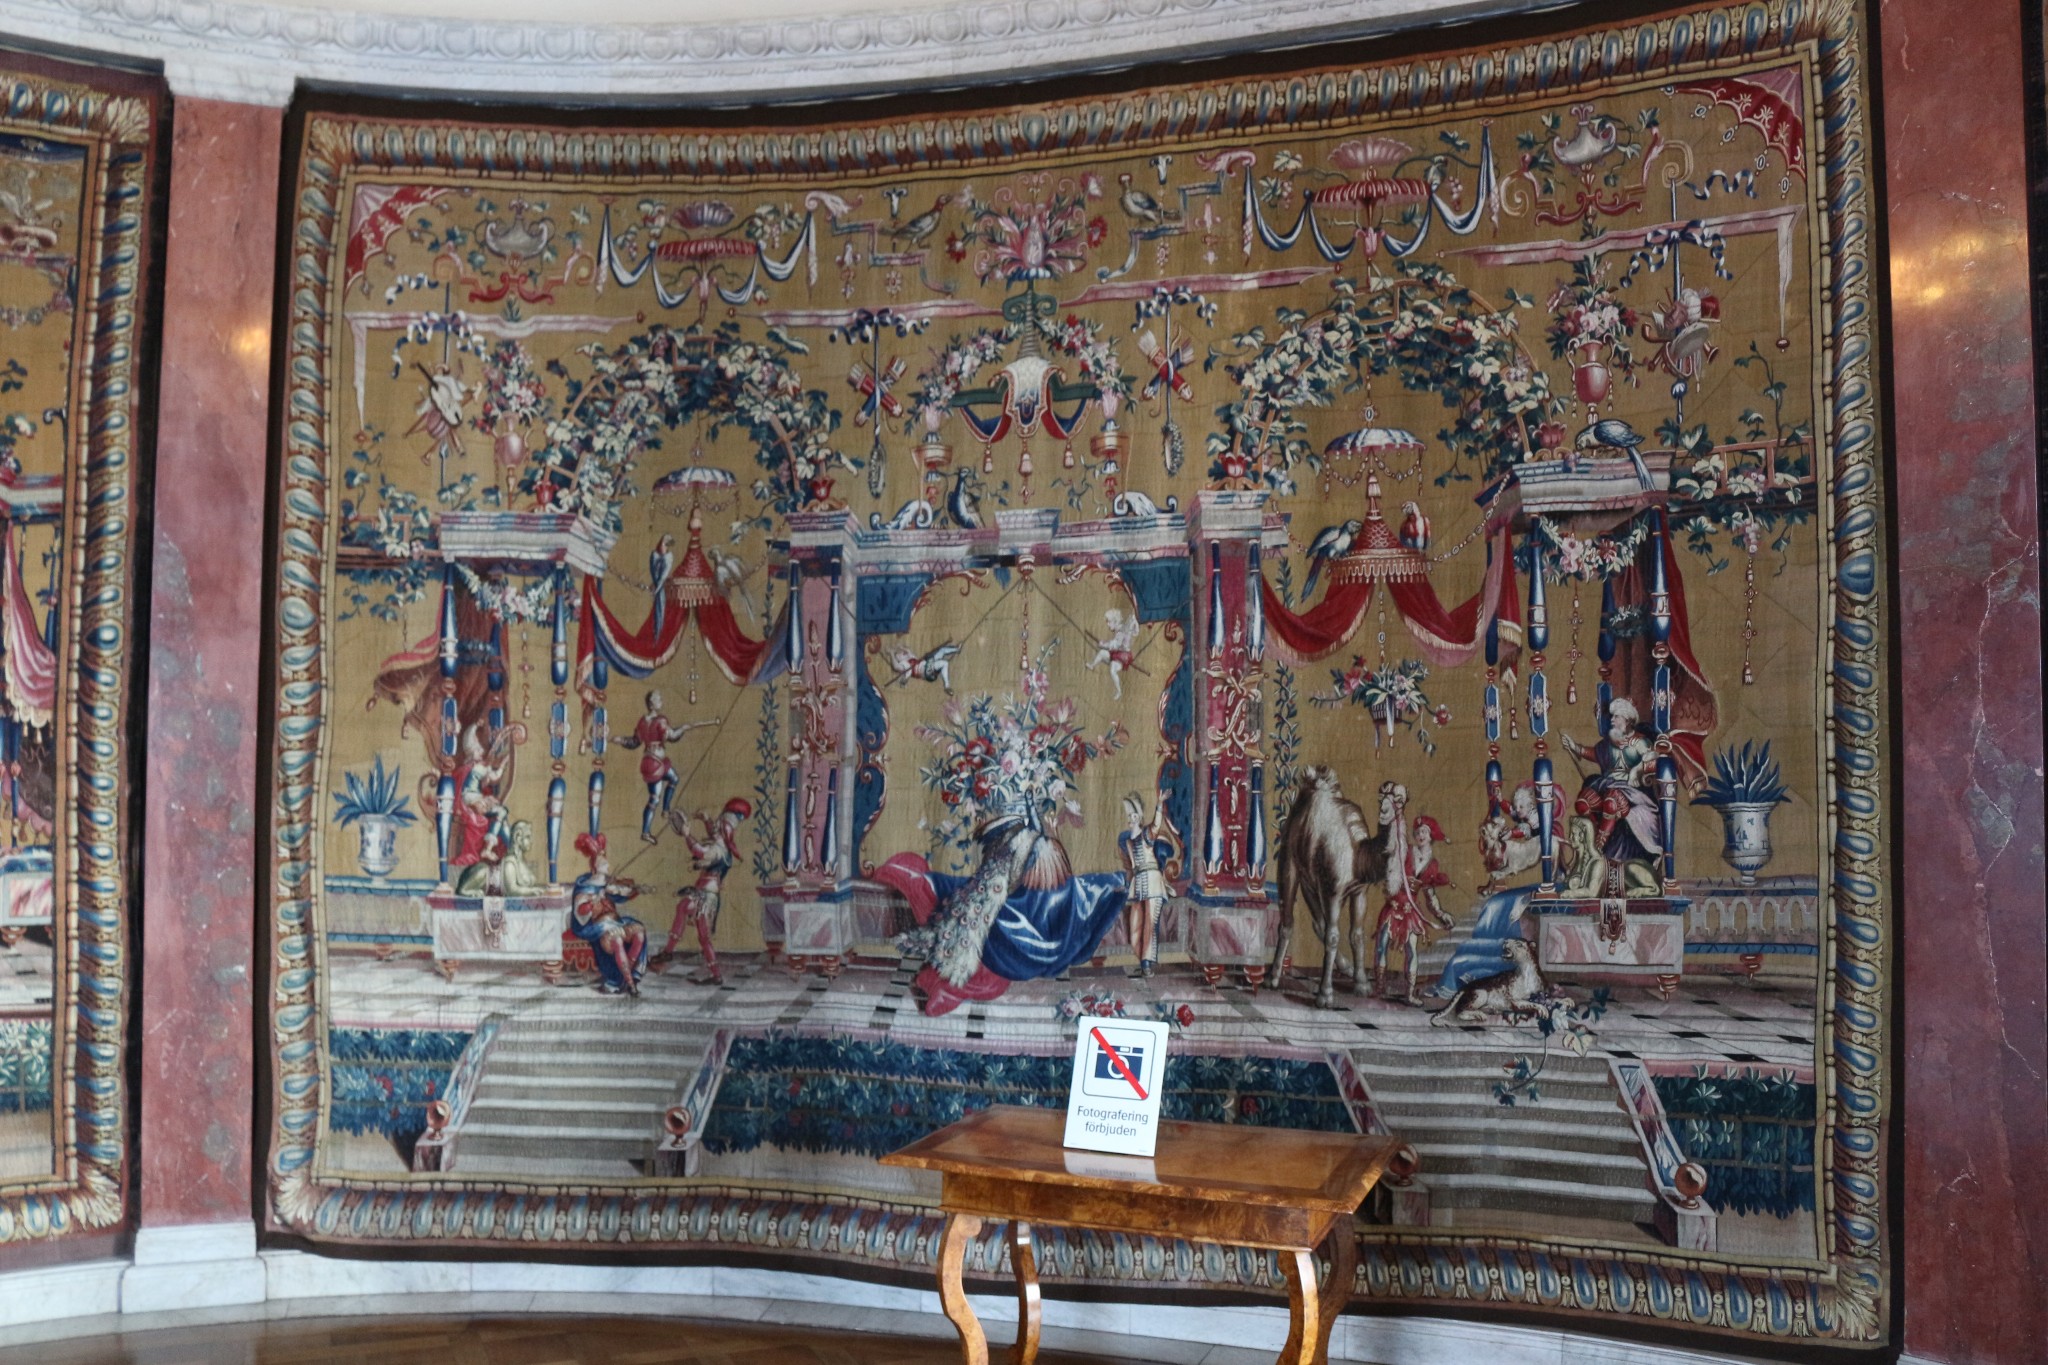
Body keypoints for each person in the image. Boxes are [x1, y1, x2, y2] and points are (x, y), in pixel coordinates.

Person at [1559, 696, 1664, 890]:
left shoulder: (1640, 742)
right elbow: (1595, 754)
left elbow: (1653, 761)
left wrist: (1636, 770)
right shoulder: (1610, 742)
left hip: (1633, 793)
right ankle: (1593, 842)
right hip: (1606, 784)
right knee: (1583, 802)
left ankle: (1598, 848)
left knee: (1611, 801)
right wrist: (1575, 747)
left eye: (1616, 717)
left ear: (1627, 720)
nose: (1612, 720)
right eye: (1612, 717)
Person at [656, 797, 751, 984]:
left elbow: (700, 851)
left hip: (706, 896)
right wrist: (706, 819)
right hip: (705, 893)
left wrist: (687, 835)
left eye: (718, 823)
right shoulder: (722, 843)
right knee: (703, 936)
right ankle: (715, 975)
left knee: (685, 909)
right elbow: (713, 833)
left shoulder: (719, 849)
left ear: (724, 826)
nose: (715, 826)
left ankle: (669, 952)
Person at [1374, 813, 1455, 1002]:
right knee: (1381, 945)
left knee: (1411, 950)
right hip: (1394, 906)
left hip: (1411, 911)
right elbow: (1391, 870)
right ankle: (1379, 988)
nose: (1420, 835)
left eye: (1424, 832)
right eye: (1417, 832)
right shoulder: (1405, 851)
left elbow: (1430, 895)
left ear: (1431, 835)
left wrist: (1441, 914)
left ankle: (1409, 994)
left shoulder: (1432, 865)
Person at [616, 690, 716, 843]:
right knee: (654, 799)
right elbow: (672, 736)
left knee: (673, 778)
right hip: (655, 765)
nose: (661, 701)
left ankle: (665, 811)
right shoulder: (660, 721)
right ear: (651, 704)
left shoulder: (642, 721)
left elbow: (634, 742)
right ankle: (647, 830)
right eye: (658, 699)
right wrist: (683, 728)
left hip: (652, 762)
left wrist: (622, 740)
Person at [570, 832, 647, 996]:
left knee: (639, 932)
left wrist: (635, 890)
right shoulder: (585, 887)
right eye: (603, 864)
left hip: (616, 922)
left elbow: (622, 894)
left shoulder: (608, 884)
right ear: (594, 868)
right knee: (616, 940)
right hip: (598, 926)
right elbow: (580, 912)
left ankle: (625, 977)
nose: (607, 866)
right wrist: (594, 901)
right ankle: (630, 984)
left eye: (606, 863)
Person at [1117, 793, 1178, 979]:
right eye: (1129, 816)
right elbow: (1130, 867)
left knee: (1150, 926)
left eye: (1133, 815)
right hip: (1138, 884)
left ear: (1139, 817)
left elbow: (1156, 825)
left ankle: (1146, 965)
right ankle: (1142, 961)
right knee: (1135, 928)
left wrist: (1159, 803)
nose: (1130, 819)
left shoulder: (1146, 835)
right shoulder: (1127, 841)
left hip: (1153, 881)